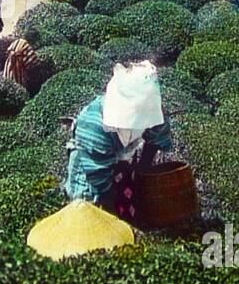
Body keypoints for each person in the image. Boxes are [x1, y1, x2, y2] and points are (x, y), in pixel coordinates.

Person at [63, 61, 174, 223]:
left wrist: (143, 173)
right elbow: (97, 175)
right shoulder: (95, 124)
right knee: (88, 208)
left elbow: (156, 137)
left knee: (127, 204)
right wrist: (110, 211)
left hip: (121, 161)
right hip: (89, 167)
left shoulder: (151, 108)